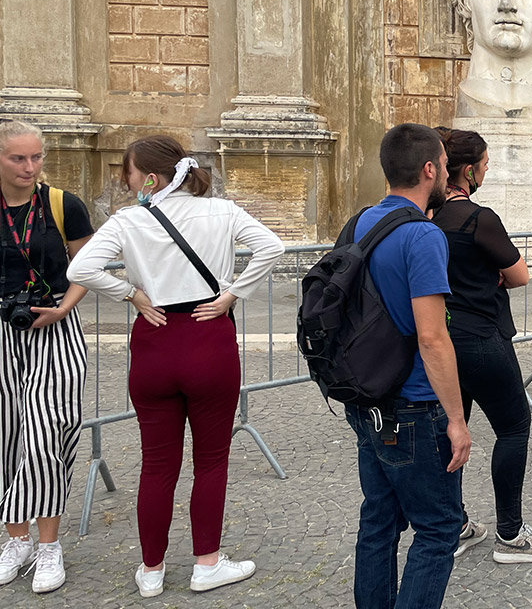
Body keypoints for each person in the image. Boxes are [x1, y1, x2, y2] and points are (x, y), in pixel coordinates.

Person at [66, 135, 284, 599]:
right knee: (211, 461)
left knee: (156, 465)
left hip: (155, 339)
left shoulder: (128, 219)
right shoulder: (221, 211)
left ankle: (151, 571)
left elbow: (80, 270)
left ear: (149, 177)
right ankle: (206, 563)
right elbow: (271, 247)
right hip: (209, 336)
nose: (126, 183)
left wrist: (132, 294)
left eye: (127, 173)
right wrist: (231, 294)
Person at [325, 124, 471, 608]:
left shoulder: (360, 222)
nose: (448, 173)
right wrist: (455, 419)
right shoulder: (422, 236)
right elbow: (432, 336)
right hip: (412, 403)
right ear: (430, 170)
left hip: (367, 397)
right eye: (445, 165)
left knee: (379, 520)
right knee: (438, 529)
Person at [432, 127, 532, 563]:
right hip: (482, 337)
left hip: (441, 341)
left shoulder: (426, 218)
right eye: (485, 165)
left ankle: (455, 524)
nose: (487, 170)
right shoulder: (478, 218)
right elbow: (521, 274)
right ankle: (511, 533)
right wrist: (493, 272)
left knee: (454, 430)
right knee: (514, 426)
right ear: (468, 171)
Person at [0, 122, 93, 595]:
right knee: (6, 436)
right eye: (18, 159)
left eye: (36, 157)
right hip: (1, 332)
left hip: (55, 328)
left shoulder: (63, 205)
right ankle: (15, 538)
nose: (29, 167)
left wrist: (63, 306)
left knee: (44, 432)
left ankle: (49, 544)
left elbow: (86, 266)